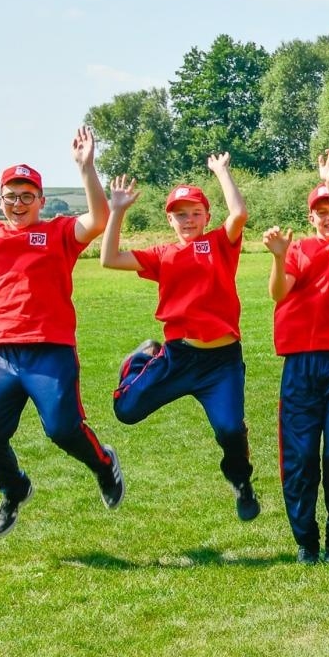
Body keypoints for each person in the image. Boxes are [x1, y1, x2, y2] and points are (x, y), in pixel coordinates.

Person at [0, 130, 124, 537]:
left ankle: (103, 465)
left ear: (41, 200)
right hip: (0, 355)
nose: (18, 204)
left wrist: (87, 167)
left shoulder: (58, 232)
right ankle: (14, 489)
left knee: (63, 430)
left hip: (49, 352)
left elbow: (98, 219)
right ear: (0, 200)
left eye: (27, 196)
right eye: (11, 196)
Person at [104, 154, 259, 521]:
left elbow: (239, 214)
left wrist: (221, 171)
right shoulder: (163, 255)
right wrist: (117, 211)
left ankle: (241, 483)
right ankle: (140, 360)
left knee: (230, 430)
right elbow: (109, 258)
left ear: (206, 217)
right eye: (180, 214)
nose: (188, 220)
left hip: (221, 364)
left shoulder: (220, 244)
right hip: (178, 357)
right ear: (169, 220)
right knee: (126, 412)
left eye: (195, 213)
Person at [262, 151, 329, 563]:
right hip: (301, 365)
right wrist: (277, 256)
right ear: (310, 217)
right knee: (300, 457)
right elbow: (278, 292)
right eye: (320, 212)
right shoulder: (299, 250)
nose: (327, 218)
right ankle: (306, 539)